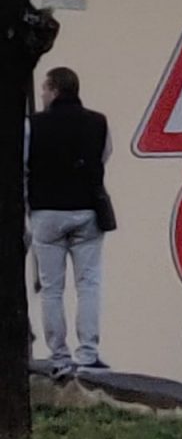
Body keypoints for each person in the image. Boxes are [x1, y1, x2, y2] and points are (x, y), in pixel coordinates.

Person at [26, 67, 111, 379]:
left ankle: (59, 356)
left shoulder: (32, 125)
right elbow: (103, 156)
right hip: (88, 211)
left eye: (45, 90)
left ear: (55, 89)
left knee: (51, 288)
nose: (43, 96)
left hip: (46, 212)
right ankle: (88, 353)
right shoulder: (98, 122)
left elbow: (23, 166)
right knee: (88, 284)